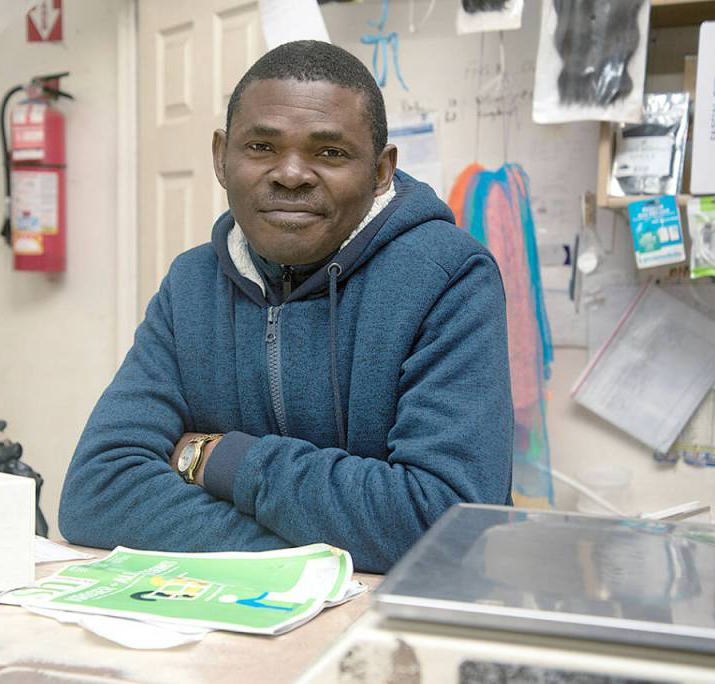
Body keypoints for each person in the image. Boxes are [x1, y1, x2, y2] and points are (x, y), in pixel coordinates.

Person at [59, 40, 513, 573]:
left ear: (382, 169)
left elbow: (444, 522)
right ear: (220, 158)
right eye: (261, 147)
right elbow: (99, 492)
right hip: (230, 629)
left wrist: (218, 458)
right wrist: (318, 553)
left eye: (330, 153)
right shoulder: (192, 284)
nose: (291, 174)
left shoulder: (449, 277)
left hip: (400, 630)